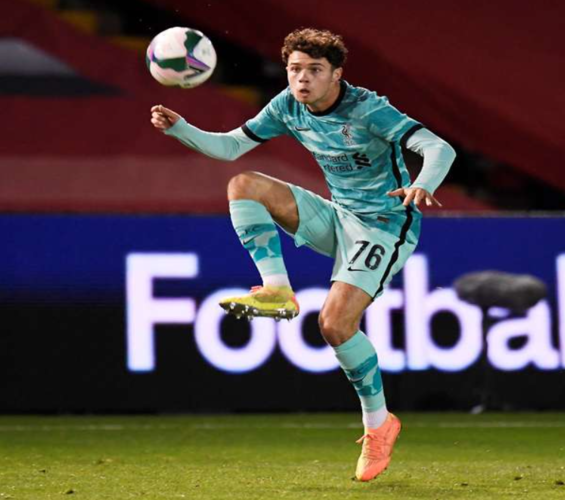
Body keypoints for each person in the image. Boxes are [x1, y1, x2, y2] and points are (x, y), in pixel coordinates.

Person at [150, 28, 456, 481]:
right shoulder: (287, 106)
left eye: (314, 70)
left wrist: (422, 183)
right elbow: (232, 147)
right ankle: (277, 289)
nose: (302, 79)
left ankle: (379, 424)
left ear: (336, 74)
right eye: (295, 69)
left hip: (384, 225)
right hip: (337, 216)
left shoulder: (368, 108)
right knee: (244, 185)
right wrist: (181, 128)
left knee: (334, 325)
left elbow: (438, 147)